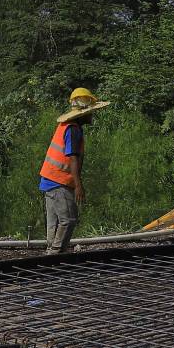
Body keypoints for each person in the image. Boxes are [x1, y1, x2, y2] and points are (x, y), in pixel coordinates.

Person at [39, 88, 110, 255]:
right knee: (69, 219)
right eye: (91, 113)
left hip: (49, 180)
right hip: (59, 181)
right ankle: (55, 253)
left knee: (54, 222)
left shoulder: (66, 126)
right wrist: (78, 186)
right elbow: (72, 158)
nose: (92, 116)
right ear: (83, 114)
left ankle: (51, 251)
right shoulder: (73, 130)